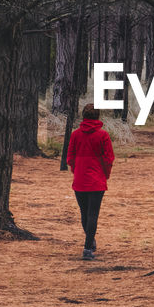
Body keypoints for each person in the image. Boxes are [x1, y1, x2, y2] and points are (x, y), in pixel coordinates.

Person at [66, 103, 114, 260]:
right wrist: (105, 174)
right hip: (96, 181)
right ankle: (87, 247)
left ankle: (89, 241)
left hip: (80, 180)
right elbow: (108, 159)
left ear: (83, 116)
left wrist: (76, 170)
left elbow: (70, 158)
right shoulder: (103, 136)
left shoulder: (75, 135)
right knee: (93, 214)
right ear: (98, 117)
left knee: (84, 213)